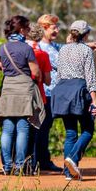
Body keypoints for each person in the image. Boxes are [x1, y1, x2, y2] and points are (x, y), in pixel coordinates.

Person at [50, 20, 96, 180]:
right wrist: (94, 101)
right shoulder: (86, 51)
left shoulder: (63, 49)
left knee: (70, 133)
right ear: (85, 35)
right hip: (78, 90)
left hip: (62, 90)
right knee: (88, 129)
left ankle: (68, 173)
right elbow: (90, 77)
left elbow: (58, 75)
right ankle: (73, 158)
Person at [0, 15, 44, 175]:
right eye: (28, 28)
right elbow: (35, 72)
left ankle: (7, 165)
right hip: (24, 88)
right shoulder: (26, 49)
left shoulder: (4, 48)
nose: (29, 31)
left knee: (7, 128)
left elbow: (3, 67)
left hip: (8, 87)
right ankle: (19, 165)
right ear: (22, 29)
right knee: (23, 127)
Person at [32, 15, 64, 173]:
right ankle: (40, 160)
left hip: (54, 92)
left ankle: (42, 159)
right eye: (53, 28)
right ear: (44, 28)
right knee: (41, 127)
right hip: (44, 92)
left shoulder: (54, 46)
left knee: (46, 127)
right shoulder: (39, 48)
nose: (56, 30)